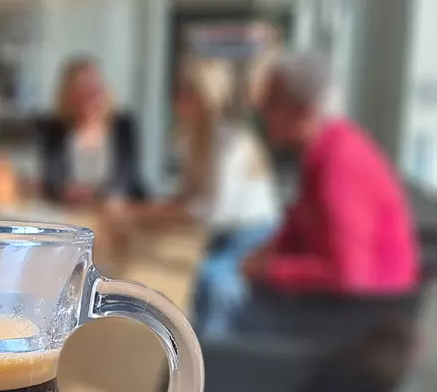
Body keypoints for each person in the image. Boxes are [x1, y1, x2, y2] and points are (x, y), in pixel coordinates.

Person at [239, 53, 419, 336]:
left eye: (271, 103)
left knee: (225, 300)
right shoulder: (323, 150)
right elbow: (298, 226)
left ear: (303, 111)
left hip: (363, 326)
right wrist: (266, 255)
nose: (261, 112)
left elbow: (348, 275)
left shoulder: (340, 166)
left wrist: (270, 271)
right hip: (341, 310)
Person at [175, 59, 279, 338]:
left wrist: (149, 214)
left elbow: (211, 212)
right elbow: (188, 197)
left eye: (188, 93)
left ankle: (212, 353)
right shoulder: (193, 139)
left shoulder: (232, 143)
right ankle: (194, 339)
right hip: (222, 232)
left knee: (211, 278)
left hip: (252, 234)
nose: (179, 100)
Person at [37, 57, 144, 205]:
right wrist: (65, 190)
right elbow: (51, 180)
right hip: (70, 211)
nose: (89, 96)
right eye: (81, 90)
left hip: (115, 211)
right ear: (68, 95)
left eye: (94, 88)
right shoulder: (55, 128)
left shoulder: (123, 125)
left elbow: (127, 178)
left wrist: (96, 194)